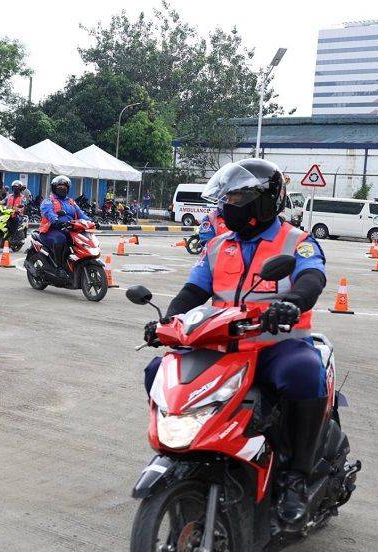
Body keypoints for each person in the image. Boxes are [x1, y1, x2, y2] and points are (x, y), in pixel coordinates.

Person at [140, 158, 328, 528]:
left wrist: (291, 303)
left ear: (264, 200)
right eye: (226, 198)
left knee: (305, 373)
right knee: (159, 370)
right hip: (222, 342)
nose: (228, 205)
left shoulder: (296, 242)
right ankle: (180, 451)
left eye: (238, 196)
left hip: (276, 343)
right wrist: (168, 320)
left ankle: (296, 476)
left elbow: (312, 280)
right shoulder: (218, 245)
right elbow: (193, 291)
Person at [38, 175, 91, 268]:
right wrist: (56, 221)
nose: (62, 189)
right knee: (61, 239)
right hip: (51, 230)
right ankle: (59, 266)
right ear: (54, 188)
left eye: (64, 187)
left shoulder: (71, 202)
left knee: (83, 240)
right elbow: (49, 214)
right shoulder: (48, 201)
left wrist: (92, 222)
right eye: (60, 187)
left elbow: (81, 215)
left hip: (70, 229)